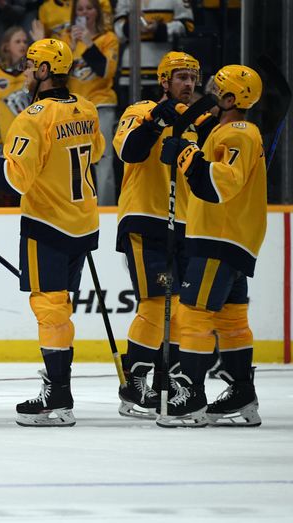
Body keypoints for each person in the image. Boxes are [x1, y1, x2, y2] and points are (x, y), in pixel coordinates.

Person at [0, 38, 104, 427]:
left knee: (50, 308)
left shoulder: (33, 117)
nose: (24, 72)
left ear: (42, 71)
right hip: (83, 221)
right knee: (60, 306)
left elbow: (14, 180)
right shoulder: (86, 107)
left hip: (49, 222)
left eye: (29, 65)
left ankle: (58, 396)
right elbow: (97, 151)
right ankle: (59, 389)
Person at [157, 65, 265, 428]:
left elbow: (218, 187)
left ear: (232, 99)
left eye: (217, 91)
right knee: (231, 321)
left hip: (219, 236)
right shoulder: (233, 131)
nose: (209, 95)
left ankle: (190, 397)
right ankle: (242, 393)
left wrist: (185, 153)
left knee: (195, 314)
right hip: (234, 238)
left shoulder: (238, 133)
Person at [111, 51, 210, 419]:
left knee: (181, 309)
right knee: (155, 301)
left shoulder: (198, 120)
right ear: (164, 81)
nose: (188, 84)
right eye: (181, 77)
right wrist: (154, 123)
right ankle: (134, 385)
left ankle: (167, 379)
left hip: (185, 223)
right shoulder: (139, 110)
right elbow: (127, 152)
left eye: (192, 77)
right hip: (145, 219)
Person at [65, 0, 119, 205]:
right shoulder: (68, 39)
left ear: (97, 11)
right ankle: (76, 207)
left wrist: (88, 43)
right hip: (74, 108)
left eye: (89, 8)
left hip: (100, 104)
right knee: (74, 161)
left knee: (103, 160)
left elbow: (106, 72)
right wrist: (70, 47)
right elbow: (58, 75)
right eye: (80, 9)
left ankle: (105, 209)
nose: (84, 12)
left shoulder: (109, 38)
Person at [113, 0, 194, 88]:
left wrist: (159, 28)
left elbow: (188, 26)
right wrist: (132, 25)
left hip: (163, 69)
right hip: (129, 73)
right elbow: (118, 31)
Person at [0, 27, 29, 156]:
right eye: (18, 41)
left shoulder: (32, 71)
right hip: (6, 138)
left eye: (25, 42)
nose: (22, 45)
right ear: (6, 46)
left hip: (31, 134)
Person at [33, 0, 111, 39]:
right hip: (59, 58)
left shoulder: (95, 2)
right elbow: (43, 39)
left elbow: (106, 29)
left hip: (91, 47)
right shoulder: (44, 9)